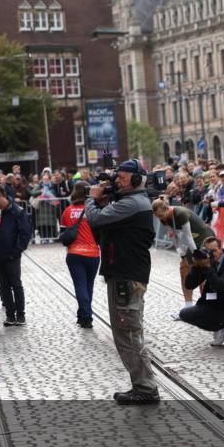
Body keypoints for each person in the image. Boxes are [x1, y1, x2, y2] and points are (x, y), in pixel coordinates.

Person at [85, 159, 159, 404]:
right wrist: (103, 201)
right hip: (125, 273)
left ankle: (145, 388)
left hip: (127, 275)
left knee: (127, 334)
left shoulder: (132, 203)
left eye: (122, 177)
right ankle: (144, 385)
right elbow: (102, 231)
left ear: (137, 180)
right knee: (128, 332)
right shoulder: (130, 202)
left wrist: (92, 199)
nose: (117, 181)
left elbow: (94, 219)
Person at [178, 237, 224, 347]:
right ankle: (221, 329)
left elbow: (220, 285)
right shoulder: (208, 262)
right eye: (208, 251)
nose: (211, 254)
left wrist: (207, 268)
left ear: (221, 250)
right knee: (185, 314)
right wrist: (196, 266)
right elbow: (189, 285)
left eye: (213, 251)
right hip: (216, 306)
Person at [152, 199, 216, 316]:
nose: (160, 218)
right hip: (192, 242)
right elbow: (174, 238)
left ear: (167, 209)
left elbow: (188, 235)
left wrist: (195, 253)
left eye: (161, 215)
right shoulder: (164, 218)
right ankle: (188, 306)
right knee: (184, 269)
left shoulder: (180, 213)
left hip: (205, 239)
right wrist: (183, 255)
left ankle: (208, 307)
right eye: (157, 216)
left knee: (204, 273)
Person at [0, 183, 32, 326]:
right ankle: (10, 315)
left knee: (16, 284)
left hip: (12, 255)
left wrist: (16, 251)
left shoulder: (17, 211)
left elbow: (25, 233)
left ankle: (20, 315)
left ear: (0, 195)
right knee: (4, 286)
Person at [60, 182, 100, 328]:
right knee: (89, 286)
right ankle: (84, 315)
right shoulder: (93, 211)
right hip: (93, 254)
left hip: (74, 254)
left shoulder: (67, 211)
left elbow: (63, 233)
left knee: (80, 285)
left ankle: (85, 315)